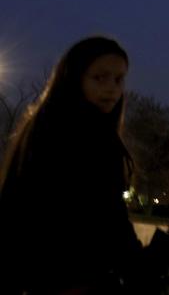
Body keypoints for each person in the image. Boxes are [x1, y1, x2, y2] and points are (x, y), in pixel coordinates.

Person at [0, 37, 142, 294]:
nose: (112, 88)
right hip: (72, 277)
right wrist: (140, 266)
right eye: (100, 77)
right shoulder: (86, 134)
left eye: (119, 79)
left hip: (40, 276)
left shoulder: (45, 126)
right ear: (74, 77)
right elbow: (106, 214)